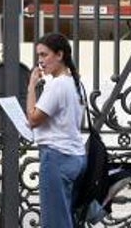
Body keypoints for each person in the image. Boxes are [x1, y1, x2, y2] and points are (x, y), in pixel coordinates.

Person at [25, 33, 86, 228]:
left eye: (44, 55)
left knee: (55, 222)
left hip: (56, 156)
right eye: (38, 56)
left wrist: (31, 86)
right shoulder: (76, 83)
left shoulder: (57, 84)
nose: (40, 61)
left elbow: (33, 119)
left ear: (59, 55)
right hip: (75, 156)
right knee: (67, 218)